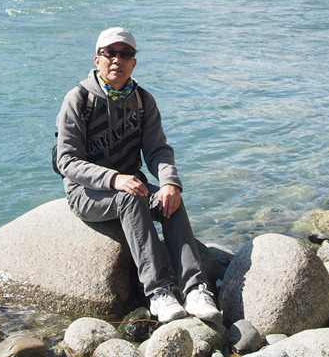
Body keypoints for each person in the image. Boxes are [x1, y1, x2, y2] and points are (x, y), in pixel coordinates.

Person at [55, 27, 221, 324]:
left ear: (134, 62)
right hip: (86, 192)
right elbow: (67, 160)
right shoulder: (78, 99)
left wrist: (169, 182)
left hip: (131, 183)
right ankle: (159, 292)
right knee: (130, 198)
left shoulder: (143, 100)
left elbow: (158, 151)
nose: (117, 60)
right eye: (109, 53)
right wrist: (113, 179)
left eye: (125, 54)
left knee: (170, 200)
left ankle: (195, 288)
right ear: (97, 59)